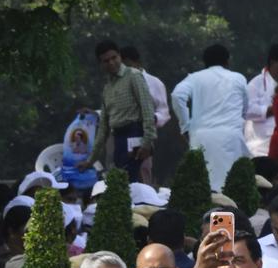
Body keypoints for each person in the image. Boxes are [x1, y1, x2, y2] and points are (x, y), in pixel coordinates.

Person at [170, 43, 251, 187]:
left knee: (202, 185)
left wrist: (185, 126)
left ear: (204, 62)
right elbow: (245, 109)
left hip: (201, 136)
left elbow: (177, 96)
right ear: (227, 61)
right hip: (231, 137)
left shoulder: (195, 78)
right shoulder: (238, 78)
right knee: (231, 186)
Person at [90, 37, 157, 178]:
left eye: (114, 57)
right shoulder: (107, 88)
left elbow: (147, 109)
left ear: (120, 56)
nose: (111, 62)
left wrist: (147, 142)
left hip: (135, 134)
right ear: (100, 64)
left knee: (130, 179)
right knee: (122, 180)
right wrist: (91, 159)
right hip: (118, 138)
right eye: (106, 61)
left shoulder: (134, 76)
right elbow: (103, 128)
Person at [245, 41, 278, 156]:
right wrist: (273, 109)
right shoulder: (256, 83)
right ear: (273, 62)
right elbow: (247, 111)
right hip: (259, 146)